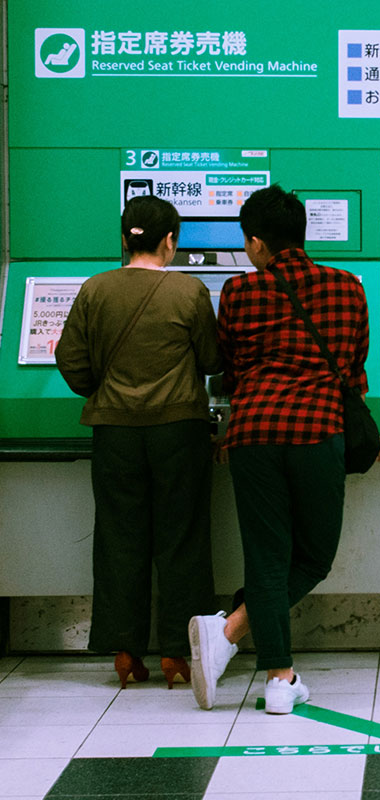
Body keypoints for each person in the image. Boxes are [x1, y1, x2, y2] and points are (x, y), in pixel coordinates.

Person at [188, 185, 380, 714]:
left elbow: (229, 372)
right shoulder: (347, 287)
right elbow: (352, 371)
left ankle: (244, 644)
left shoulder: (237, 292)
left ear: (257, 243)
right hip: (318, 432)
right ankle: (266, 666)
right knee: (314, 557)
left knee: (266, 556)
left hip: (253, 435)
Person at [56, 195, 222, 689]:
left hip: (116, 433)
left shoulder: (95, 290)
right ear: (170, 240)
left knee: (118, 539)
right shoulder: (189, 293)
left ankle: (126, 652)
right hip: (179, 431)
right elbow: (212, 360)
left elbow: (71, 359)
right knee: (183, 540)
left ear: (125, 237)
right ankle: (178, 654)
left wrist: (101, 390)